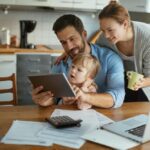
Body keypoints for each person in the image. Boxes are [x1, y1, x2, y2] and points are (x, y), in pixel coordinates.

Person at [32, 14, 125, 108]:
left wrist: (85, 97)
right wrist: (44, 101)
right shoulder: (59, 64)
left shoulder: (110, 59)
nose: (69, 47)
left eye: (72, 39)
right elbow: (54, 99)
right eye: (63, 42)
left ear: (84, 35)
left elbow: (117, 97)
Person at [96, 1, 150, 101]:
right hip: (121, 80)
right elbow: (92, 52)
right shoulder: (104, 39)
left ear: (125, 24)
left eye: (110, 30)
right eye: (103, 30)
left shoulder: (147, 37)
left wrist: (140, 83)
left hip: (144, 84)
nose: (106, 35)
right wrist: (69, 53)